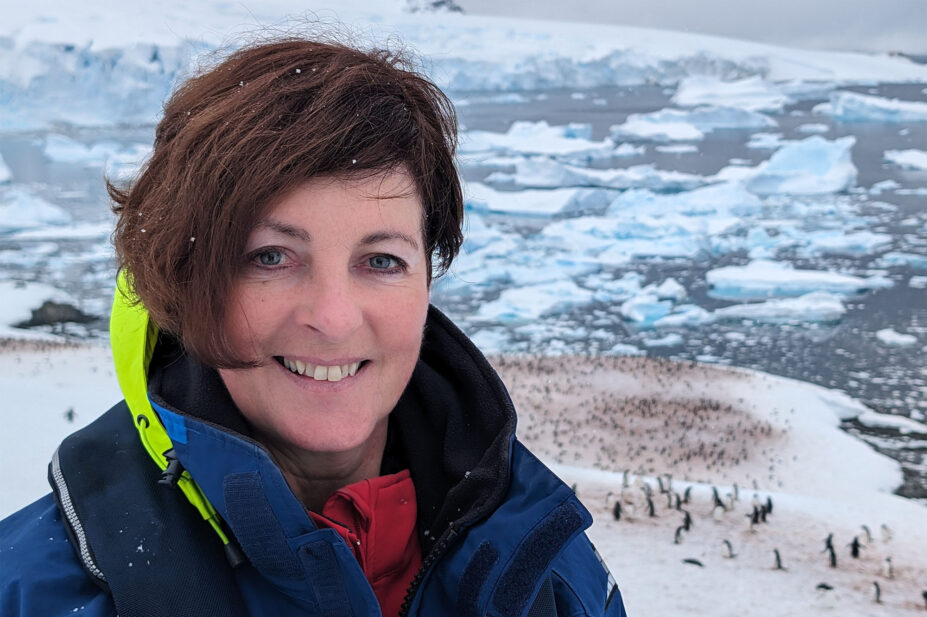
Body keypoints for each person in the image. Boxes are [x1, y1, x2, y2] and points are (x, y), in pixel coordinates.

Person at [0, 36, 627, 617]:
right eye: (269, 257)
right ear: (186, 282)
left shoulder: (547, 569)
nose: (332, 317)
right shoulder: (38, 588)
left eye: (381, 261)